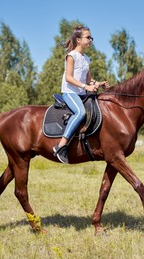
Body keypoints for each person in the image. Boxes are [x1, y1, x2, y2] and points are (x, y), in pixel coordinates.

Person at [53, 26, 109, 163]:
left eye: (91, 38)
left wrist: (98, 83)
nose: (91, 40)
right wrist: (86, 86)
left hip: (81, 93)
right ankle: (61, 146)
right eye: (88, 37)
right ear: (78, 40)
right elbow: (69, 78)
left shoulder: (87, 58)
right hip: (70, 92)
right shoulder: (71, 55)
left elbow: (88, 79)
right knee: (80, 113)